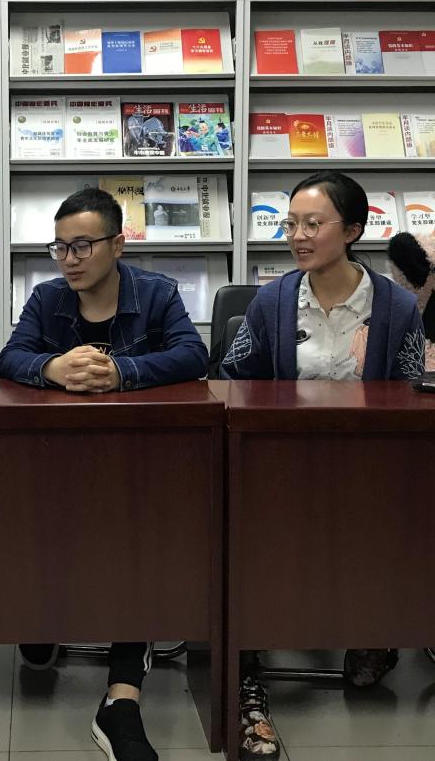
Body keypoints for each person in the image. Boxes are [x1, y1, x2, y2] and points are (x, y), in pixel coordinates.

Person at [0, 186, 208, 761]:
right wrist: (53, 367)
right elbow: (10, 359)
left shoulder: (157, 293)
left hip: (140, 466)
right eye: (60, 247)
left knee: (139, 543)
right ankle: (44, 619)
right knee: (33, 526)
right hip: (56, 464)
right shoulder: (46, 298)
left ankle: (122, 697)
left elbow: (193, 355)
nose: (69, 259)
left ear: (118, 244)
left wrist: (122, 374)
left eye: (82, 246)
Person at [221, 170, 425, 761]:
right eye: (291, 224)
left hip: (368, 466)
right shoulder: (273, 300)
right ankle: (247, 662)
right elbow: (233, 378)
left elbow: (409, 392)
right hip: (279, 465)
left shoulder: (395, 306)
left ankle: (370, 630)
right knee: (251, 536)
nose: (298, 236)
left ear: (353, 229)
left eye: (313, 224)